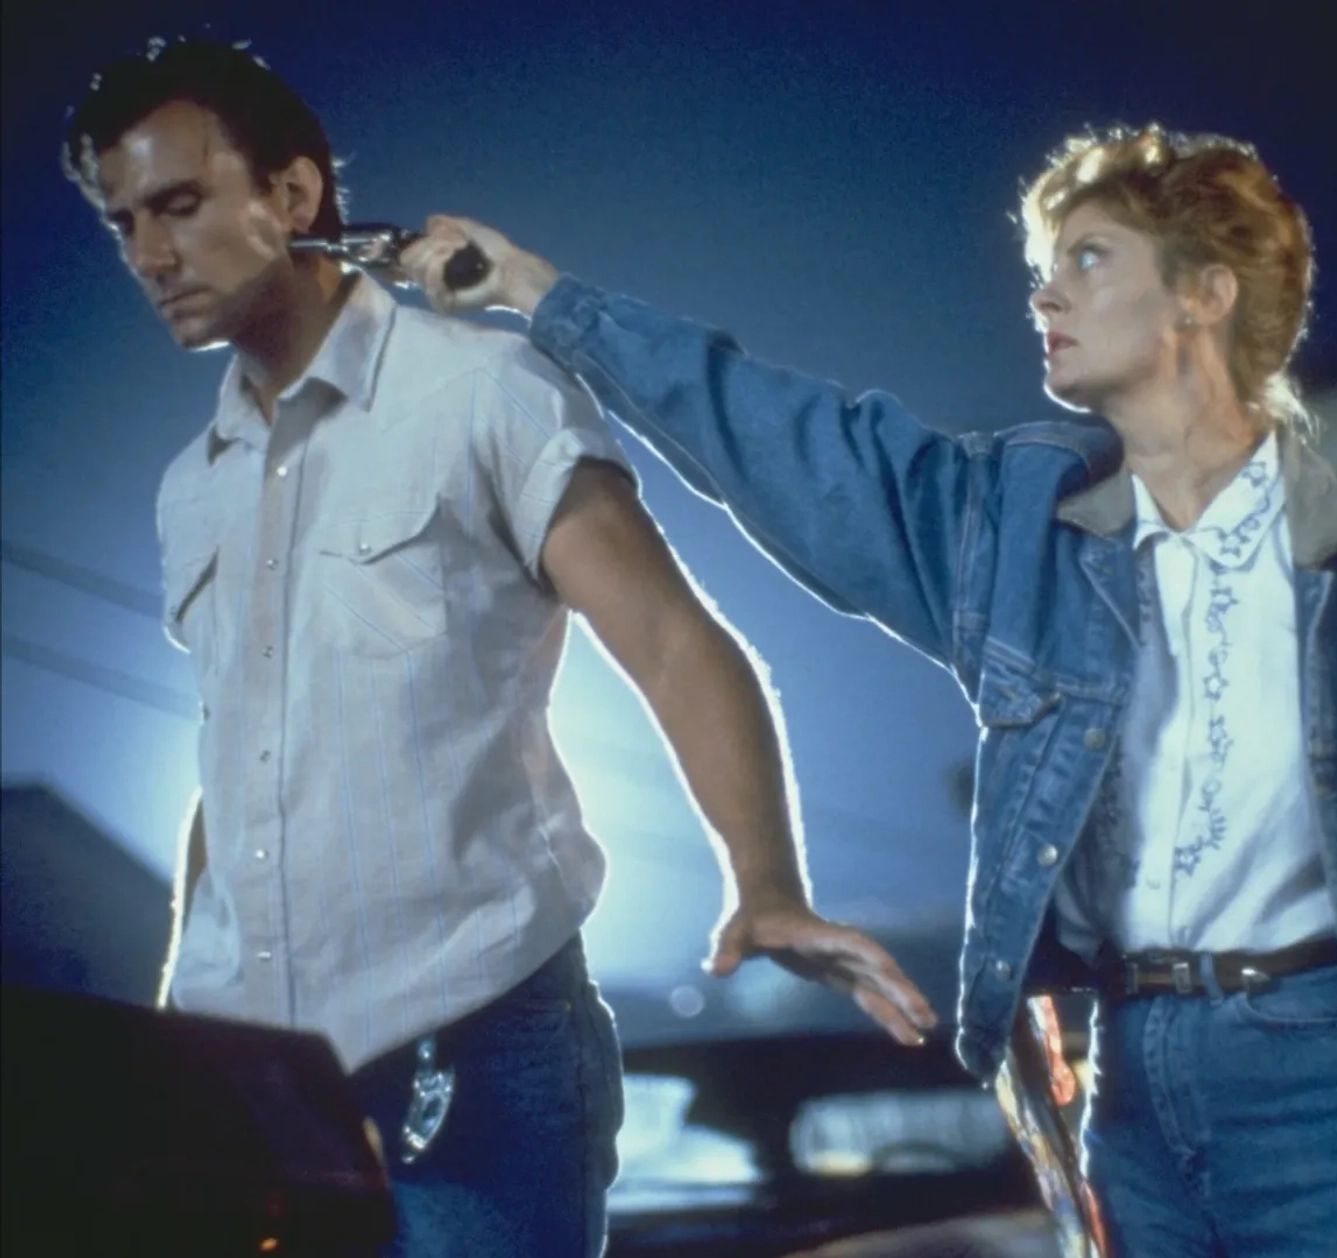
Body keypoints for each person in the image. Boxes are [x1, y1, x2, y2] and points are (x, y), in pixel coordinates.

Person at [398, 124, 1337, 1258]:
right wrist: (541, 296)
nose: (1044, 294)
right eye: (1044, 265)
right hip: (1134, 1080)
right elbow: (786, 437)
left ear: (1203, 294)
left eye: (1088, 261)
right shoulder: (1019, 530)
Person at [61, 37, 934, 1258]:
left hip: (475, 1054)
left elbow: (676, 643)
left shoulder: (485, 393)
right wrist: (174, 1020)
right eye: (123, 225)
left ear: (296, 196)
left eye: (182, 204)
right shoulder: (188, 488)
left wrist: (769, 882)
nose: (151, 255)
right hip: (252, 1085)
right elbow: (234, 765)